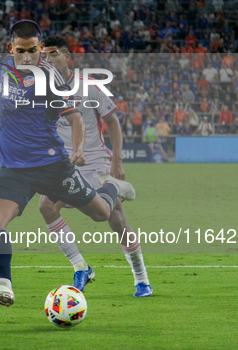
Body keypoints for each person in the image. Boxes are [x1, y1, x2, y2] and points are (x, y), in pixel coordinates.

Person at [0, 15, 136, 306]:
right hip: (13, 170)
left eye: (32, 50)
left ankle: (113, 187)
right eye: (20, 50)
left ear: (40, 48)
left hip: (52, 167)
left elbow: (75, 119)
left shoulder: (51, 77)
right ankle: (3, 285)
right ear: (11, 49)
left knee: (101, 213)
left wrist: (77, 151)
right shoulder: (5, 66)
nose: (26, 56)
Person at [38, 35, 152, 297]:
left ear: (68, 58)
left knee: (115, 219)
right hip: (63, 164)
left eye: (54, 53)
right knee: (46, 206)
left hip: (95, 161)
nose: (48, 58)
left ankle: (141, 279)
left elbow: (113, 122)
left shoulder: (88, 87)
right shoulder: (42, 89)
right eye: (45, 54)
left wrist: (117, 160)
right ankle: (81, 267)